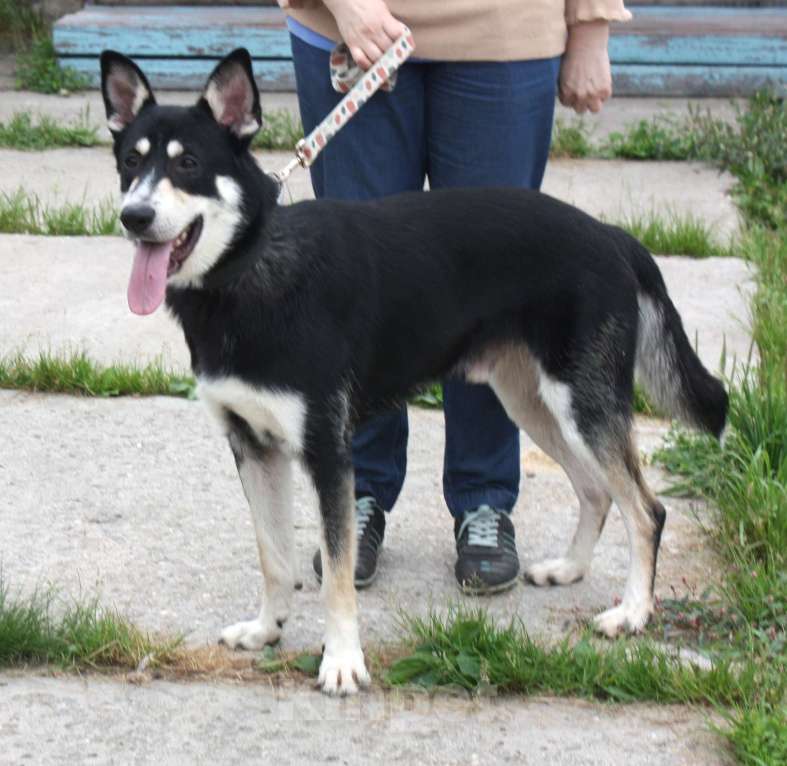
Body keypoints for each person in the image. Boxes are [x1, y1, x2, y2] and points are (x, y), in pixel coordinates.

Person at [278, 0, 631, 594]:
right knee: (357, 286)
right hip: (350, 26)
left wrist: (592, 23)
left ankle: (485, 502)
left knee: (500, 286)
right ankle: (356, 493)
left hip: (505, 33)